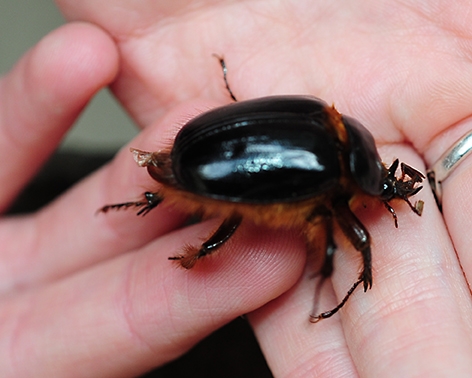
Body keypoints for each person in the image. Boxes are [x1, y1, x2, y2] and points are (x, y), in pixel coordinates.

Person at [2, 1, 472, 376]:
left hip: (202, 142)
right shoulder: (329, 180)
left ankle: (173, 226)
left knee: (235, 221)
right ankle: (193, 247)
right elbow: (349, 236)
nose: (384, 193)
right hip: (204, 168)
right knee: (235, 217)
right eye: (383, 188)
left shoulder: (326, 116)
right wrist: (360, 265)